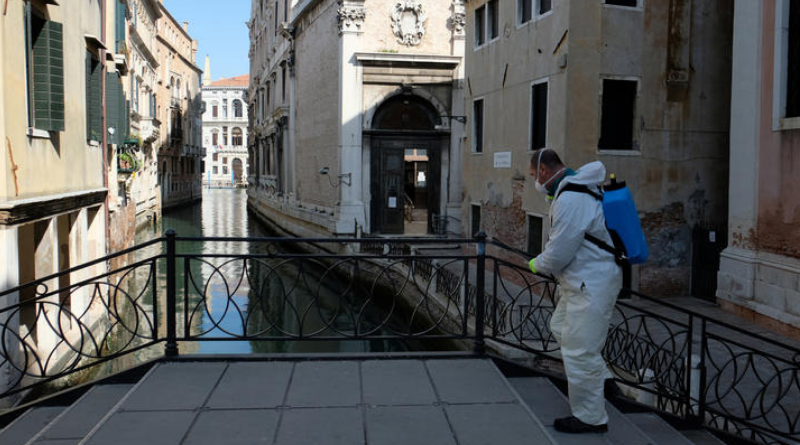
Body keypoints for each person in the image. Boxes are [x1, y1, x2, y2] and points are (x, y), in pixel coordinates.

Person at [528, 148, 622, 434]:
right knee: (559, 325)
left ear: (544, 170)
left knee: (580, 351)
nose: (535, 181)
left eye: (534, 175)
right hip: (581, 282)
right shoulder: (576, 189)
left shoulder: (571, 197)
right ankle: (603, 377)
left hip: (590, 283)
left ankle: (590, 418)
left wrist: (535, 263)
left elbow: (558, 254)